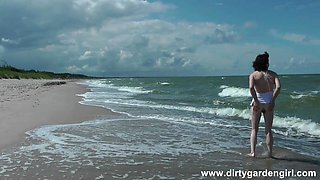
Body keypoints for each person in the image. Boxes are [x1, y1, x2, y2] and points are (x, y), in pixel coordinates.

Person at [248, 52, 281, 158]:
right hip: (268, 103)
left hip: (257, 103)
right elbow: (278, 87)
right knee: (268, 130)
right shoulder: (273, 74)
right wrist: (272, 100)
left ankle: (253, 152)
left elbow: (251, 88)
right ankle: (270, 153)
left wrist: (256, 100)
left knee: (254, 129)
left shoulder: (253, 75)